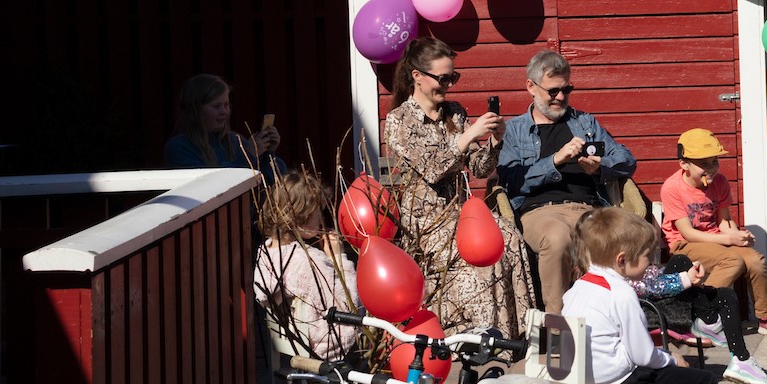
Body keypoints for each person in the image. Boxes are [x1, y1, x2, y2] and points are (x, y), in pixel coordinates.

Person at [562, 207, 734, 384]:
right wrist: (671, 359)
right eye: (646, 257)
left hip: (584, 383)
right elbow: (642, 355)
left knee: (666, 381)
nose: (650, 264)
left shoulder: (579, 287)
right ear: (621, 260)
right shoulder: (621, 293)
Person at [380, 37, 534, 334]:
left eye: (453, 77)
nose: (449, 84)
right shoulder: (400, 120)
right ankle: (472, 338)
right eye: (443, 78)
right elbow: (434, 169)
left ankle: (509, 336)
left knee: (508, 237)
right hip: (427, 224)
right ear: (417, 77)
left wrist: (494, 141)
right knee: (476, 254)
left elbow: (478, 168)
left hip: (461, 214)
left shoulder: (455, 112)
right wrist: (466, 137)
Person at [498, 50, 636, 312]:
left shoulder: (585, 123)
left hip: (589, 209)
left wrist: (599, 168)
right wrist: (554, 161)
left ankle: (610, 324)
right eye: (553, 91)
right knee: (558, 237)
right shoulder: (514, 130)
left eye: (566, 90)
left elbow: (627, 160)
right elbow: (512, 180)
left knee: (615, 237)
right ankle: (558, 328)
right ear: (531, 86)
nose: (560, 97)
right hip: (541, 211)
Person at [659, 128, 767, 340]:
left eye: (714, 162)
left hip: (715, 240)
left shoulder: (720, 182)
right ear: (684, 164)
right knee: (733, 261)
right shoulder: (672, 187)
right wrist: (729, 239)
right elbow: (688, 233)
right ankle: (705, 315)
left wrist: (738, 236)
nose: (711, 169)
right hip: (684, 244)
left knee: (755, 260)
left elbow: (723, 220)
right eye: (703, 164)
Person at [631, 221, 767, 384]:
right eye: (647, 256)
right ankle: (713, 327)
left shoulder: (631, 269)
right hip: (656, 314)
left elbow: (653, 279)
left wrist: (687, 275)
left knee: (723, 293)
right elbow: (650, 287)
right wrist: (686, 278)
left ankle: (738, 356)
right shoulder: (619, 283)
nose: (651, 259)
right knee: (720, 295)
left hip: (667, 305)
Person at [251, 168, 360, 360]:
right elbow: (348, 306)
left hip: (295, 346)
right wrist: (339, 258)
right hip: (331, 350)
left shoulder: (266, 252)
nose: (322, 218)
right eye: (317, 212)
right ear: (300, 215)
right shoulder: (309, 262)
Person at [166, 73, 284, 177]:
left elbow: (270, 184)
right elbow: (214, 185)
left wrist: (268, 154)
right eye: (216, 106)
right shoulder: (179, 147)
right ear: (196, 110)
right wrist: (248, 155)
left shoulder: (235, 141)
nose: (224, 112)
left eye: (226, 105)